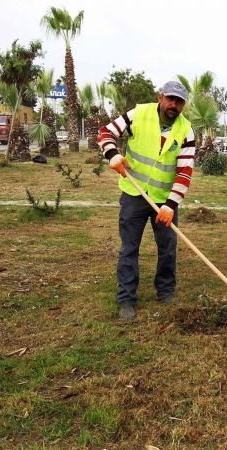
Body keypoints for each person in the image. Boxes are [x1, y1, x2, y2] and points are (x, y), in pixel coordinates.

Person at [97, 80, 195, 319]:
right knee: (129, 248)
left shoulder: (186, 130)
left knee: (168, 248)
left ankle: (165, 290)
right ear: (160, 97)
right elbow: (105, 133)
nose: (174, 105)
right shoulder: (138, 114)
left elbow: (184, 172)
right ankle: (127, 299)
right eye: (170, 99)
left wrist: (170, 206)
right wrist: (112, 154)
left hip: (164, 200)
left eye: (179, 101)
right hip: (134, 195)